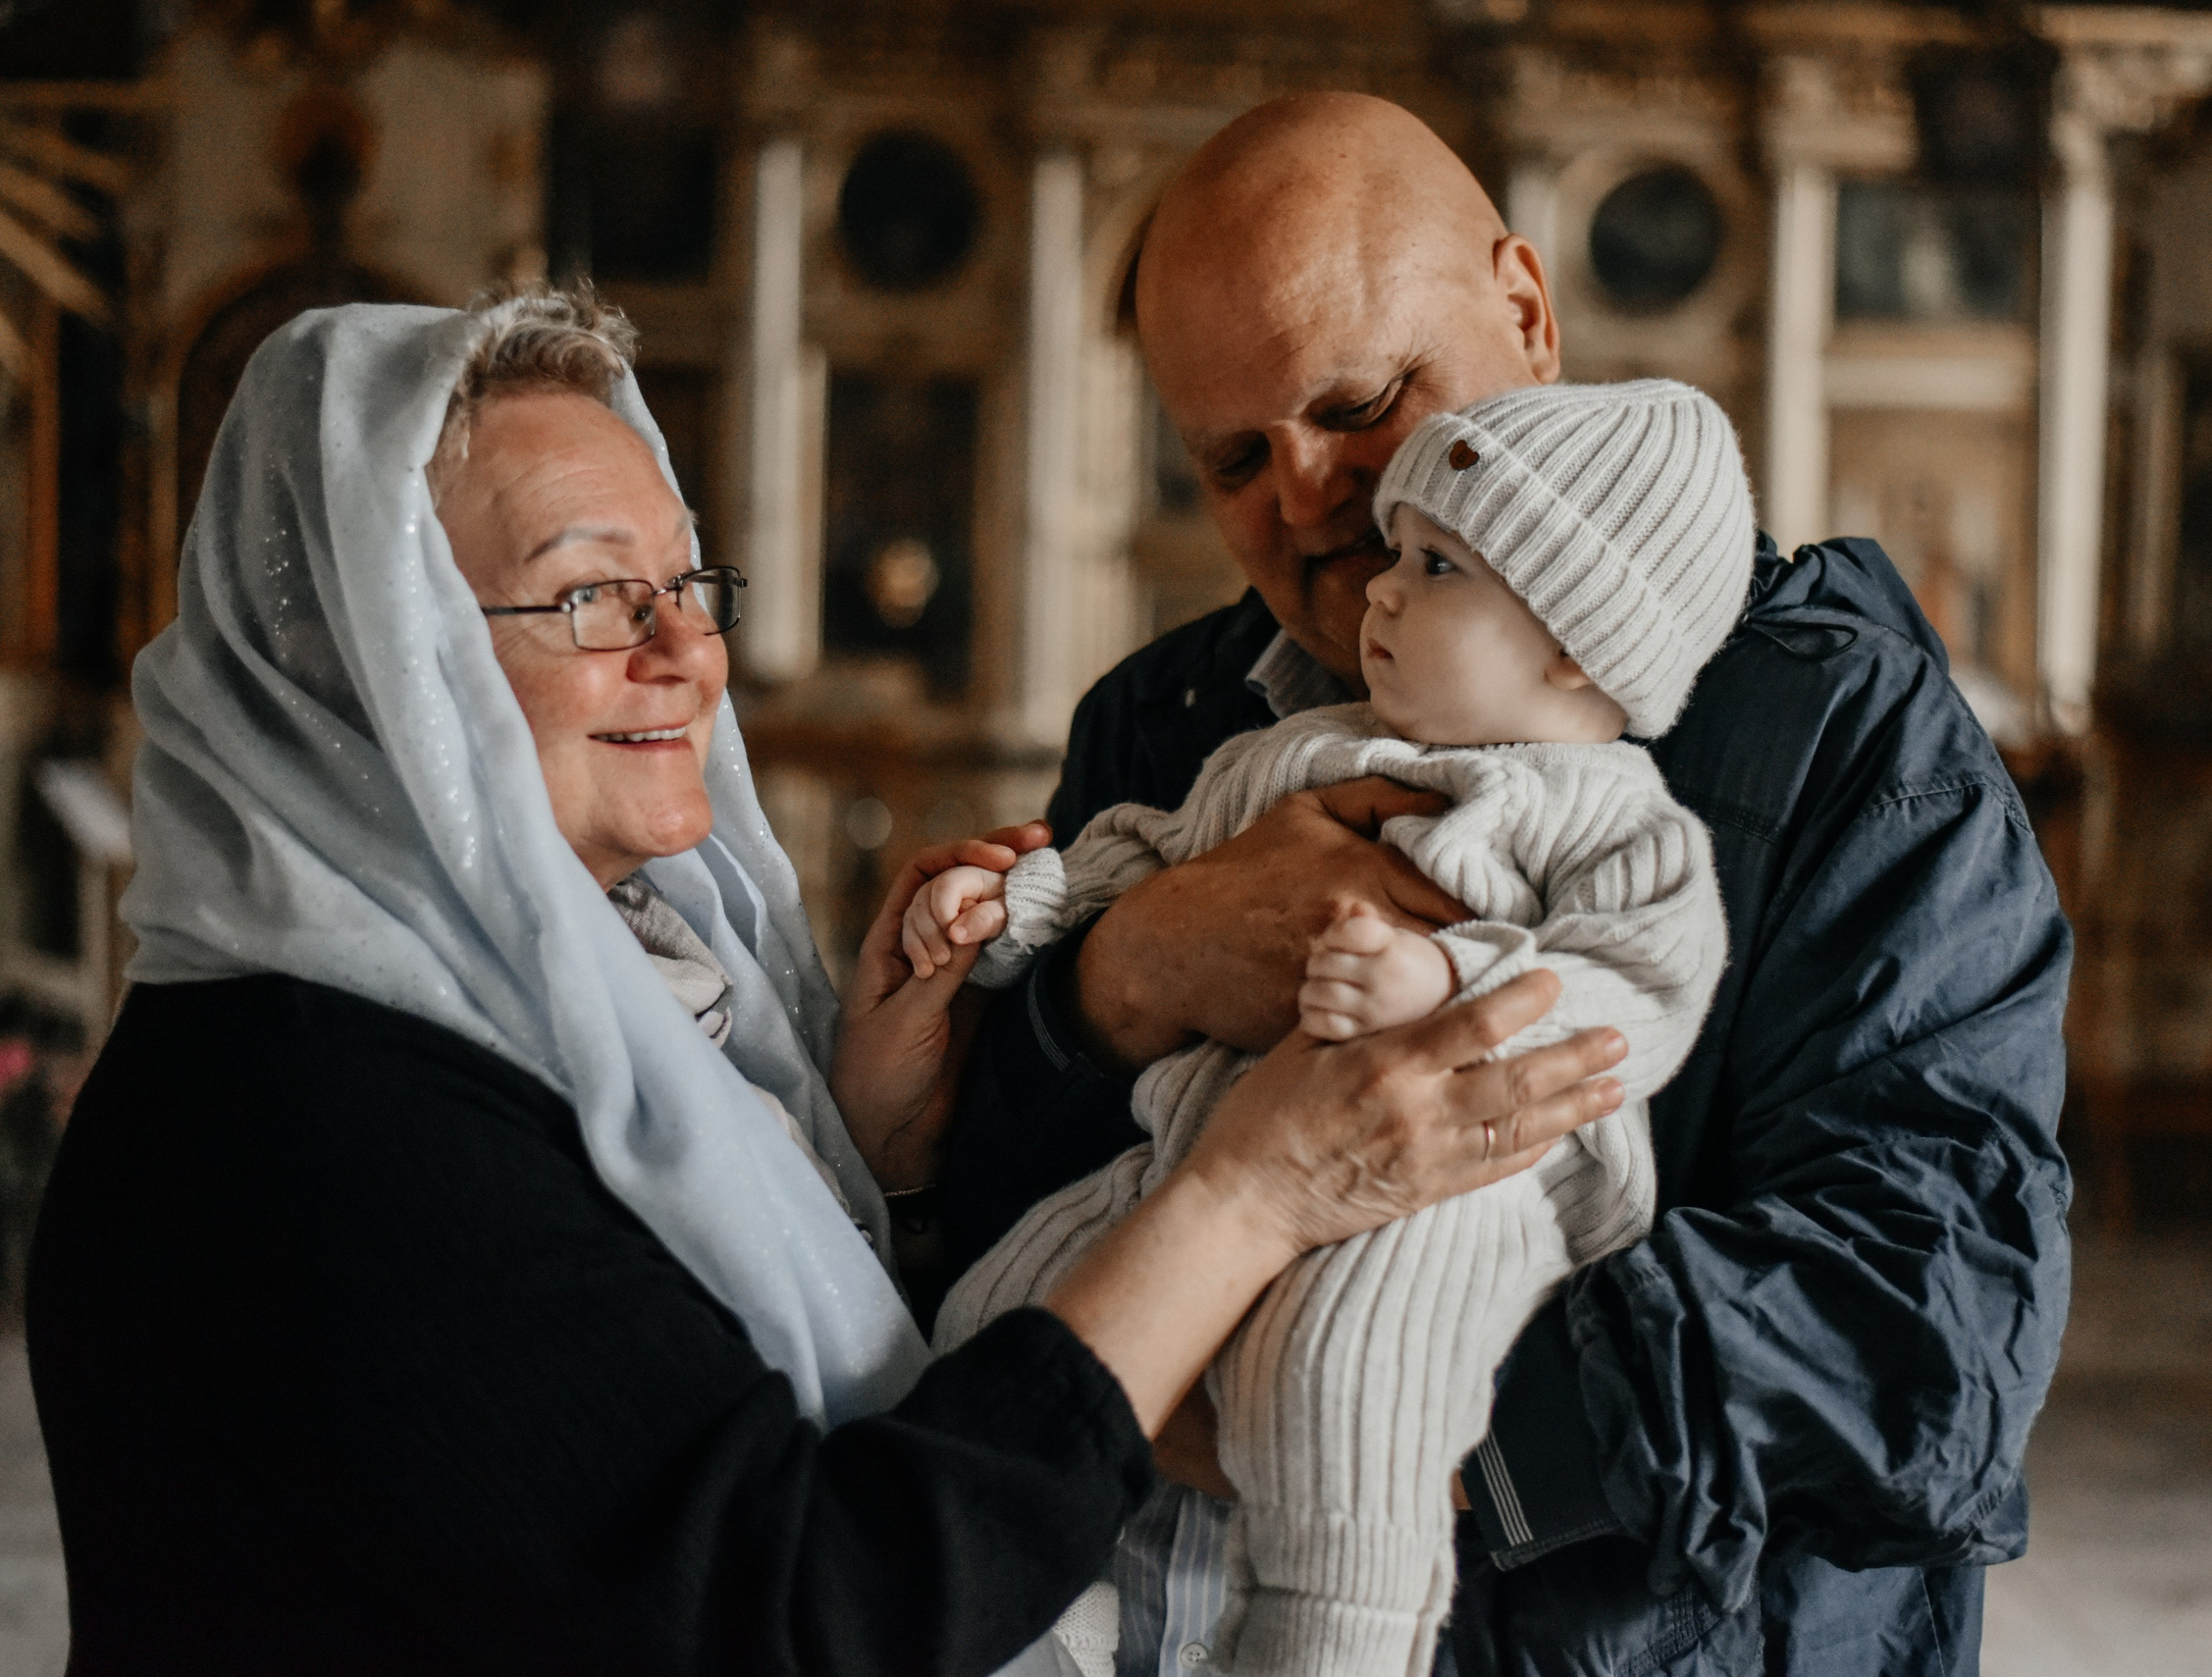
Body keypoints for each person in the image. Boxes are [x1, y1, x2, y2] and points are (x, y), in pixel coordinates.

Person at [25, 288, 1628, 1677]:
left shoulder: (589, 1002)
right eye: (593, 595)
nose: (685, 652)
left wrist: (867, 1153)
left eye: (688, 581)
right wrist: (1248, 1193)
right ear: (377, 667)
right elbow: (805, 1612)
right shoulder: (304, 1110)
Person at [935, 94, 2075, 1677]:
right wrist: (1123, 975)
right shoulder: (1158, 725)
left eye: (1365, 398)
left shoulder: (1839, 729)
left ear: (1528, 314)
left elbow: (1931, 1330)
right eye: (1232, 458)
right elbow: (963, 1190)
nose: (1314, 493)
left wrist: (1358, 1414)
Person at [916, 380, 1754, 1677]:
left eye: (1436, 564)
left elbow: (1641, 982)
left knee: (1342, 1385)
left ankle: (1334, 1641)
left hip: (1451, 1189)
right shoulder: (1300, 751)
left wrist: (1448, 986)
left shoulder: (1614, 817)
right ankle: (1015, 1603)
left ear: (1578, 640)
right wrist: (1025, 898)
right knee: (999, 1314)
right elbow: (1153, 849)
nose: (1381, 589)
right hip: (1206, 1156)